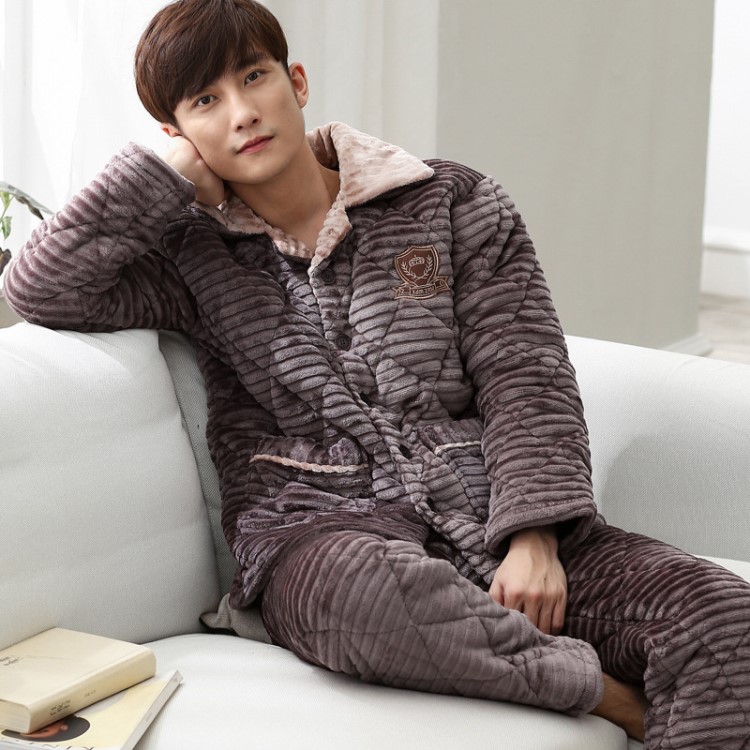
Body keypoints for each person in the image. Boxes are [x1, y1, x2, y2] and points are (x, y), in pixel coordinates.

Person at [4, 1, 750, 746]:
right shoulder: (187, 256)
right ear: (178, 135)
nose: (241, 113)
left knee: (722, 616)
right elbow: (38, 289)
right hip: (317, 536)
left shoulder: (450, 201)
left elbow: (526, 375)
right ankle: (612, 700)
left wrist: (535, 539)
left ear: (296, 82)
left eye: (254, 77)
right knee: (362, 600)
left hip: (494, 517)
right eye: (205, 101)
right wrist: (157, 178)